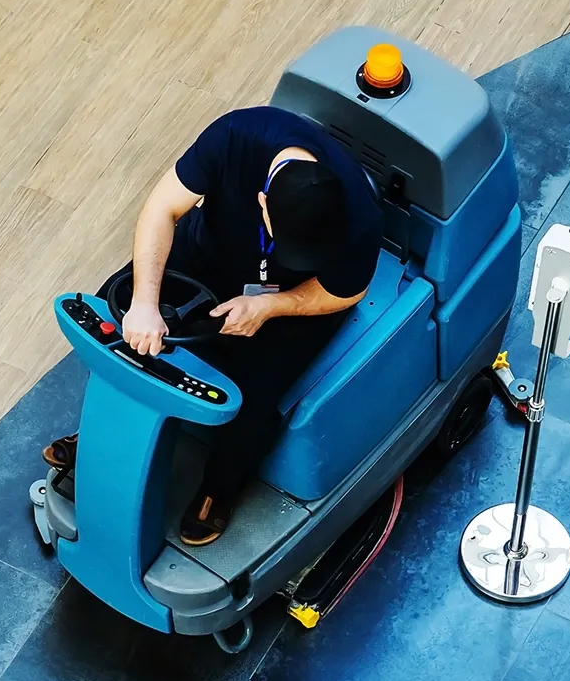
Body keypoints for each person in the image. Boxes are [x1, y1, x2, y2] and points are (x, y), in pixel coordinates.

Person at [45, 105, 383, 546]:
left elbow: (345, 292)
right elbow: (162, 209)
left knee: (255, 397)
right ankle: (101, 437)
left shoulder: (358, 215)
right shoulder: (235, 135)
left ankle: (219, 488)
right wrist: (145, 304)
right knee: (118, 309)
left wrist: (272, 307)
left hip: (291, 295)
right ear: (263, 201)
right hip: (208, 255)